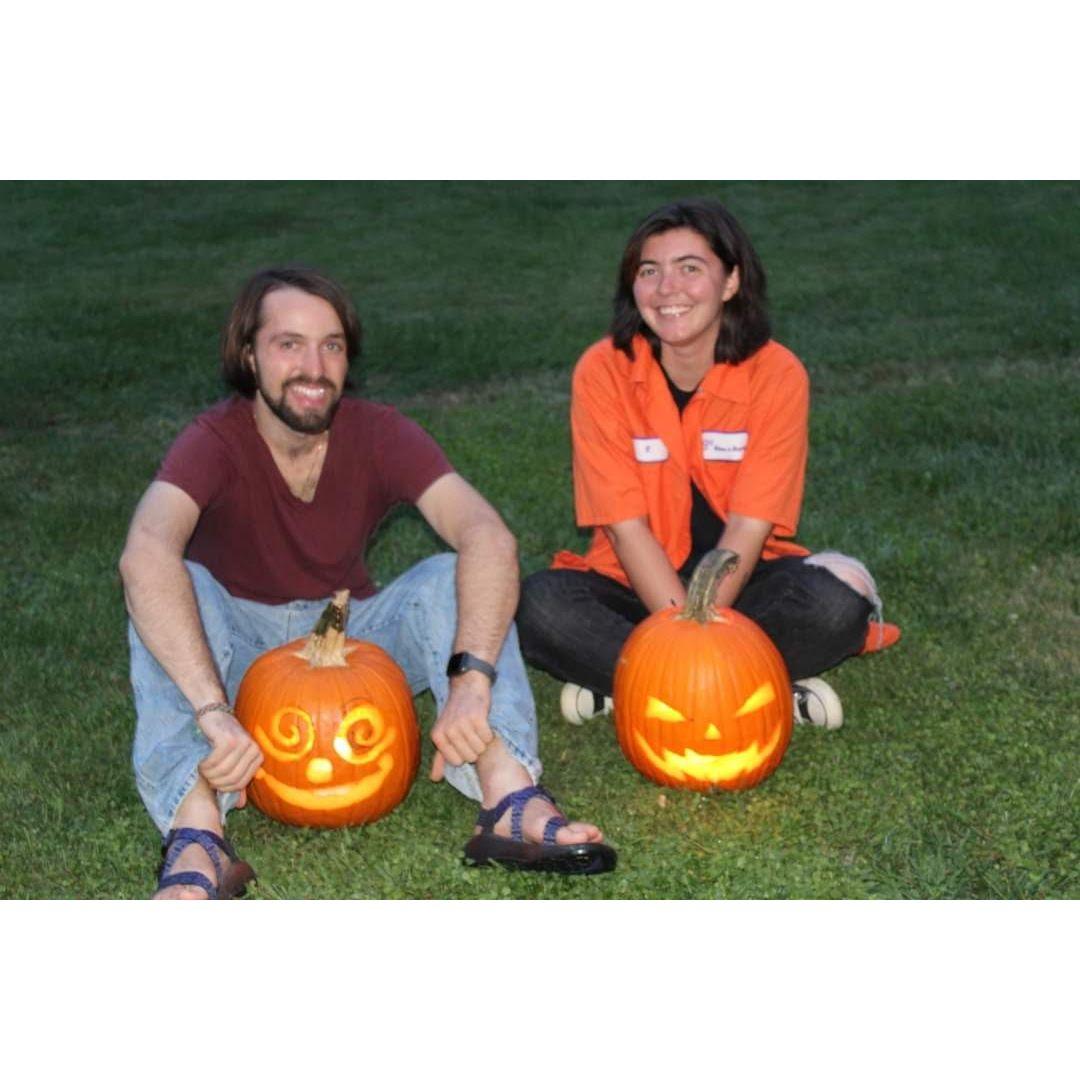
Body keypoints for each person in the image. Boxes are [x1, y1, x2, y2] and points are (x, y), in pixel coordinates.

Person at [119, 264, 616, 899]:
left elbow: (487, 536)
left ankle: (509, 795)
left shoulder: (377, 432)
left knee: (449, 575)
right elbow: (145, 551)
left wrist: (471, 681)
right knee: (171, 581)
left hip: (352, 635)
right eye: (289, 344)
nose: (314, 366)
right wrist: (213, 711)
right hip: (236, 656)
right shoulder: (213, 441)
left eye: (331, 345)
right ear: (249, 355)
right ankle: (197, 834)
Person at [516, 199, 899, 728]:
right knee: (539, 606)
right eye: (649, 271)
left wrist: (698, 629)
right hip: (634, 579)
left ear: (731, 281)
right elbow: (626, 530)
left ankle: (639, 688)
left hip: (743, 583)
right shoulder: (602, 370)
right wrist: (687, 635)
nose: (667, 288)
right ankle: (751, 689)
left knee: (833, 605)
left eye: (690, 268)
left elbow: (749, 526)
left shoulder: (777, 373)